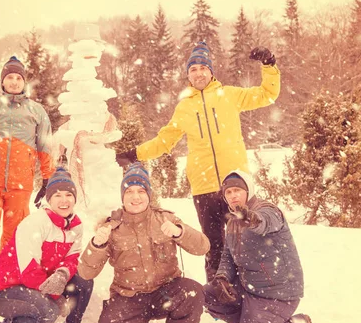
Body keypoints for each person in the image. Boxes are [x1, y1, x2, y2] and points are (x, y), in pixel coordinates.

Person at [115, 41, 281, 282]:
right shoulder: (184, 108)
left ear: (211, 71)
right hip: (203, 187)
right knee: (212, 246)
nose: (199, 72)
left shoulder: (230, 95)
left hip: (234, 185)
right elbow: (164, 141)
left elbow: (268, 94)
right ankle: (217, 293)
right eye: (193, 69)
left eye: (203, 67)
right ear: (188, 76)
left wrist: (269, 65)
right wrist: (135, 154)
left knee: (246, 241)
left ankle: (252, 288)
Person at [78, 163, 210, 323]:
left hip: (165, 292)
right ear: (122, 196)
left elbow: (203, 246)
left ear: (148, 194)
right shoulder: (111, 227)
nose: (135, 196)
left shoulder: (165, 218)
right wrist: (97, 245)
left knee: (192, 292)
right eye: (129, 191)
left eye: (141, 191)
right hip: (130, 296)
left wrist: (179, 232)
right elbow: (86, 273)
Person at [204, 170, 314, 323]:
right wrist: (222, 278)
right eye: (228, 192)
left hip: (277, 293)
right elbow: (228, 257)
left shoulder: (267, 210)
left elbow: (266, 221)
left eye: (238, 190)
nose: (233, 195)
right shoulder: (232, 223)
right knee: (209, 294)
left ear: (248, 190)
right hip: (250, 289)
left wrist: (253, 219)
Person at [0, 166, 95, 323]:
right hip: (7, 291)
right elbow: (29, 271)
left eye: (68, 195)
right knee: (49, 312)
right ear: (49, 199)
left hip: (37, 285)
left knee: (84, 280)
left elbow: (73, 258)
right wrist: (57, 297)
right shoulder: (35, 223)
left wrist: (62, 274)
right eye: (57, 195)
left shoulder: (76, 226)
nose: (64, 200)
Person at [0, 56, 55, 303]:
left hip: (21, 186)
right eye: (9, 77)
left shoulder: (36, 111)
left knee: (12, 241)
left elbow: (45, 146)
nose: (13, 81)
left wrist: (49, 180)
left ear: (24, 82)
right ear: (2, 81)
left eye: (18, 78)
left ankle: (4, 289)